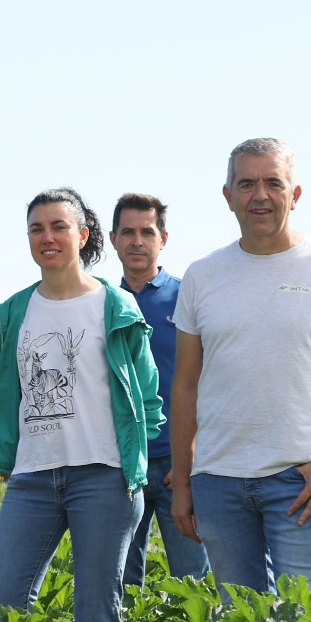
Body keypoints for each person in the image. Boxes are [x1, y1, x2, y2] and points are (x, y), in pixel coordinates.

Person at [170, 137, 311, 622]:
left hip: (300, 483)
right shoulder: (203, 276)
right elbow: (184, 386)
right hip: (219, 483)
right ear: (228, 196)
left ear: (295, 193)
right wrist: (184, 482)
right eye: (247, 184)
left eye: (273, 182)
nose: (260, 195)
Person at [0, 188, 163, 622]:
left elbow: (147, 398)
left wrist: (134, 467)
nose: (47, 238)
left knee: (97, 614)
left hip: (102, 478)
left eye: (59, 227)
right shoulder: (16, 311)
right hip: (33, 477)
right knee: (3, 607)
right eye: (37, 229)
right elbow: (12, 391)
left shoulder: (115, 304)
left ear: (83, 235)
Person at [110, 193, 210, 591]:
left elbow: (211, 378)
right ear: (114, 238)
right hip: (119, 468)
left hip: (178, 467)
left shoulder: (189, 296)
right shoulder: (101, 302)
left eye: (146, 232)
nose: (137, 241)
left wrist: (193, 454)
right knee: (119, 586)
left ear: (163, 238)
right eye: (128, 232)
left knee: (192, 586)